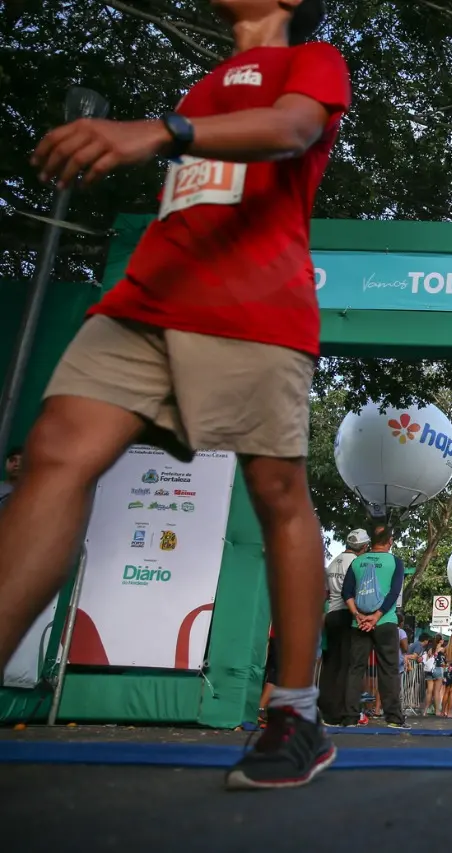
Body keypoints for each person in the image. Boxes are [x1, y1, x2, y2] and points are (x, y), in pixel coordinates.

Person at [0, 0, 348, 791]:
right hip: (145, 300)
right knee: (54, 454)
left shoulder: (312, 59)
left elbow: (292, 129)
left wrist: (157, 131)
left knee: (277, 492)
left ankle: (296, 713)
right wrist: (167, 129)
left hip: (251, 303)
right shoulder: (205, 82)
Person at [341, 524, 408, 730]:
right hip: (385, 622)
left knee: (355, 669)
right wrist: (377, 616)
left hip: (358, 623)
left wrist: (358, 615)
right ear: (390, 541)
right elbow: (394, 593)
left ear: (371, 541)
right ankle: (393, 718)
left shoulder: (357, 561)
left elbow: (346, 592)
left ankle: (350, 717)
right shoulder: (395, 562)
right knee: (389, 670)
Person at [320, 529, 369, 722]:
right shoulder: (356, 563)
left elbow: (325, 593)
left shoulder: (333, 562)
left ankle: (326, 710)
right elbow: (358, 592)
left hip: (331, 614)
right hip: (348, 615)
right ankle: (341, 711)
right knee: (347, 664)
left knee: (330, 664)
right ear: (364, 547)